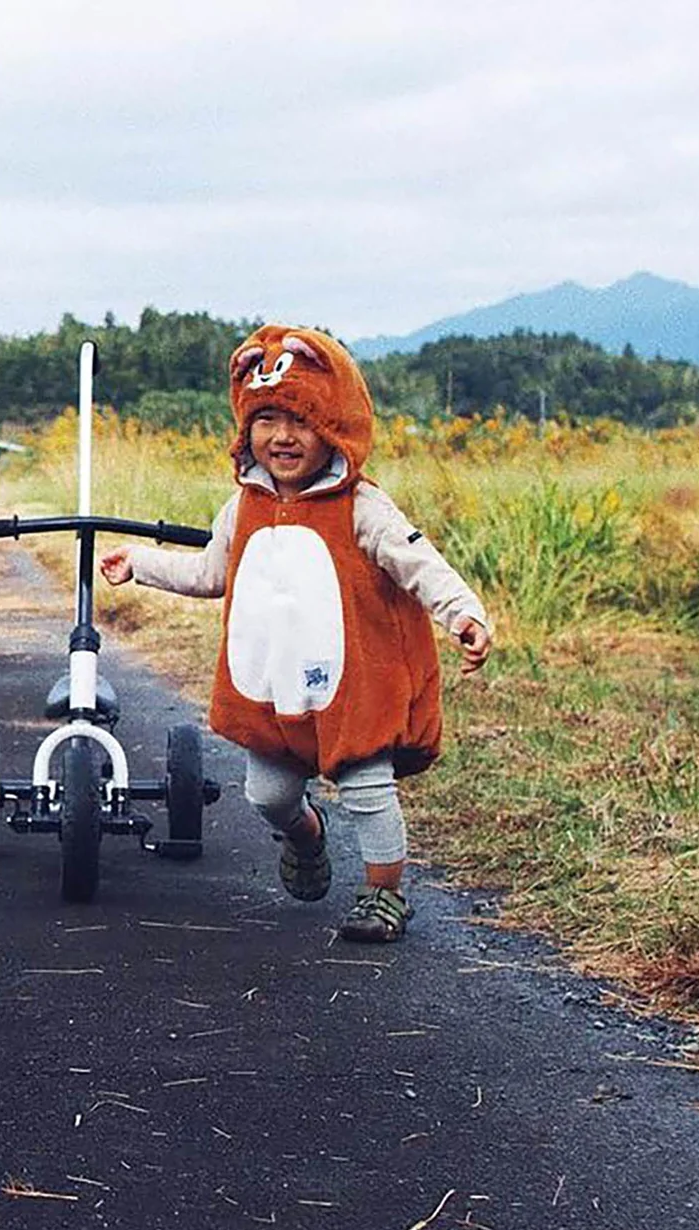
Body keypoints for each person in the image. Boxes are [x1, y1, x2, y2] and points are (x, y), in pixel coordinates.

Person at [99, 324, 491, 942]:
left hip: (353, 688)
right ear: (246, 428)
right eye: (268, 419)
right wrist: (140, 564)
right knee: (267, 794)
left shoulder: (361, 506)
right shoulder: (242, 507)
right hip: (274, 687)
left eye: (303, 422)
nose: (283, 437)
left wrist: (463, 613)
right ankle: (307, 838)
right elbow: (209, 572)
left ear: (334, 428)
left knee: (368, 789)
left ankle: (384, 894)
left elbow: (420, 563)